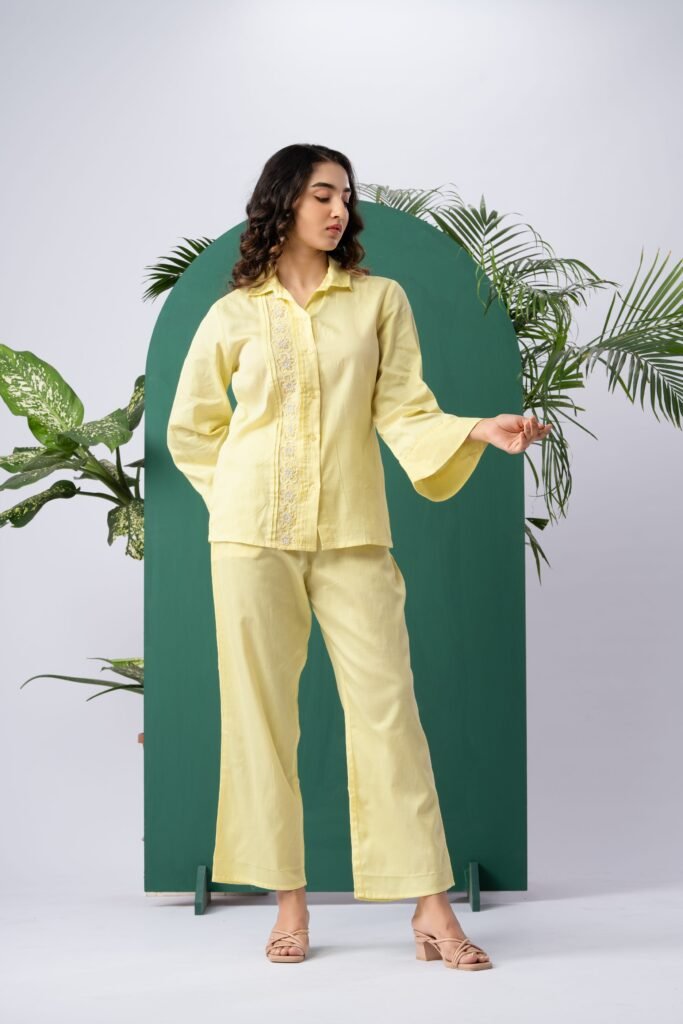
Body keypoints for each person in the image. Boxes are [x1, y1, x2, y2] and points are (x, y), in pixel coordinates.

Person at [167, 143, 551, 969]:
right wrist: (236, 496)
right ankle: (289, 904)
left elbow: (404, 409)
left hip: (352, 533)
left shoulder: (380, 299)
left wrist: (476, 430)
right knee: (260, 718)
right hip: (249, 538)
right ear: (282, 202)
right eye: (321, 194)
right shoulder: (233, 314)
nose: (338, 209)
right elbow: (191, 428)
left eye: (345, 196)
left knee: (387, 713)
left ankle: (430, 908)